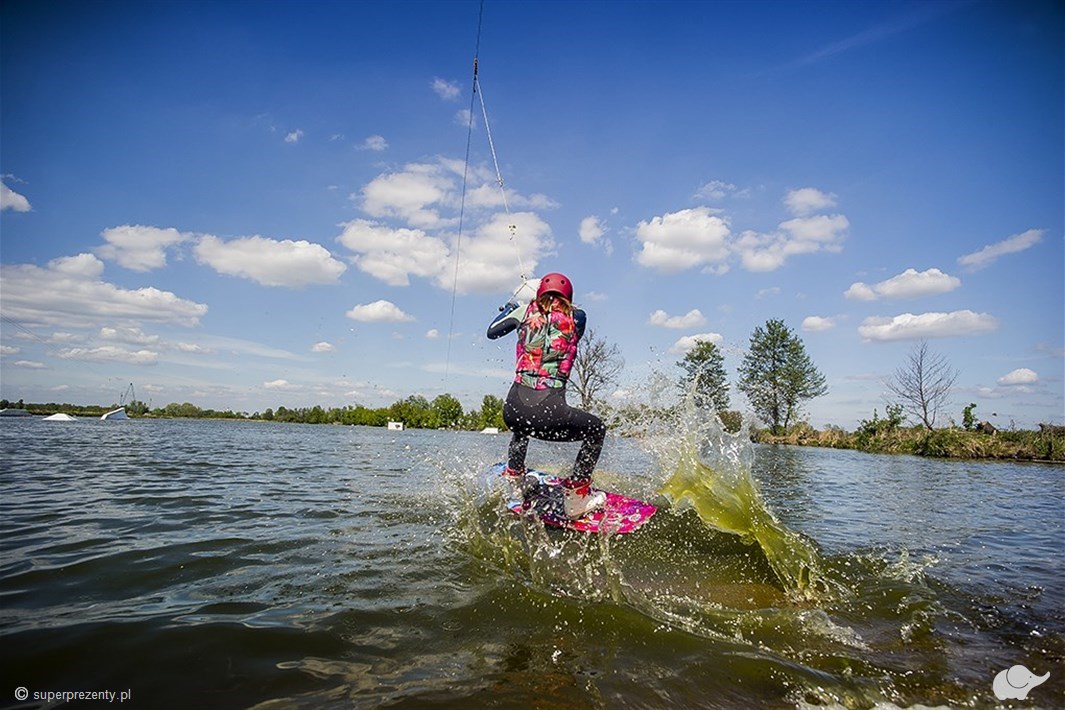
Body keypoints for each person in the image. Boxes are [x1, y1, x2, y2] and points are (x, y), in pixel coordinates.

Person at [486, 272, 608, 520]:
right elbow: (563, 327)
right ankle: (576, 499)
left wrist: (510, 308)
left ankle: (516, 481)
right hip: (549, 415)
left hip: (512, 412)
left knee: (523, 425)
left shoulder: (521, 312)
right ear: (568, 296)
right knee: (597, 429)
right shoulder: (578, 317)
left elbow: (492, 331)